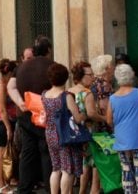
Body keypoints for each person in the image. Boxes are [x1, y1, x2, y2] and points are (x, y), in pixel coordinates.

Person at [14, 36, 56, 193]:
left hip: (25, 113)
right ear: (49, 50)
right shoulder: (52, 66)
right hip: (44, 113)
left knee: (28, 151)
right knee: (46, 152)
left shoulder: (22, 67)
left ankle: (24, 187)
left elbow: (14, 86)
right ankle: (50, 188)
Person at [106, 64, 138, 194]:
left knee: (126, 171)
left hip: (122, 140)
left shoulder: (113, 98)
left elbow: (109, 120)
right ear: (131, 76)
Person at [42, 63, 86, 194]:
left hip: (50, 133)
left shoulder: (45, 94)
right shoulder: (66, 96)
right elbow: (77, 118)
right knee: (67, 169)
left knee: (55, 168)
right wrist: (85, 114)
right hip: (65, 134)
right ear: (66, 78)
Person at [69, 61, 103, 194]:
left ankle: (80, 191)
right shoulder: (87, 93)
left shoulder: (69, 91)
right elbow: (92, 114)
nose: (93, 77)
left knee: (82, 165)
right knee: (94, 164)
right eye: (90, 74)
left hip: (73, 133)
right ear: (82, 76)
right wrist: (105, 118)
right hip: (88, 133)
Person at [0, 59, 18, 193]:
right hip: (1, 124)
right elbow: (2, 111)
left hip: (6, 122)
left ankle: (5, 183)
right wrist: (8, 128)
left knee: (6, 155)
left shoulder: (6, 86)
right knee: (1, 155)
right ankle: (0, 184)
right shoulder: (1, 87)